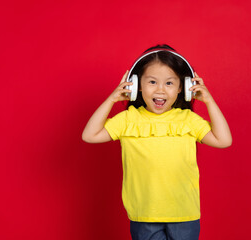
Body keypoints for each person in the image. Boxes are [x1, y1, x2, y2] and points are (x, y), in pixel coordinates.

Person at [82, 44, 232, 240]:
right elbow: (89, 135)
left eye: (169, 83)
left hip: (184, 214)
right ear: (136, 85)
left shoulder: (187, 119)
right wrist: (112, 99)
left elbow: (223, 140)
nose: (160, 90)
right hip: (144, 215)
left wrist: (209, 101)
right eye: (152, 82)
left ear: (182, 88)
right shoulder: (128, 120)